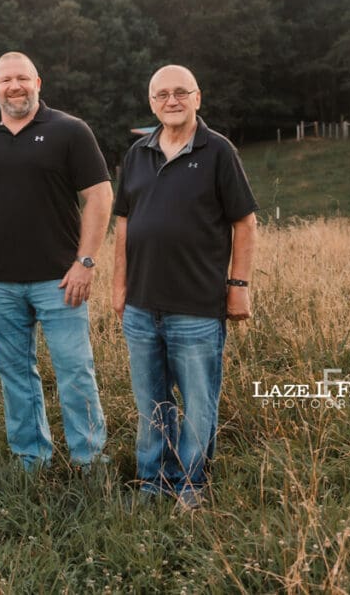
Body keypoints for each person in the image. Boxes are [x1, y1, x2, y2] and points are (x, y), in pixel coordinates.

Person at [112, 64, 258, 510]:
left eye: (181, 93)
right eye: (162, 95)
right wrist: (118, 286)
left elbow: (245, 222)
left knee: (198, 404)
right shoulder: (138, 153)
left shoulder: (218, 151)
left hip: (196, 307)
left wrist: (238, 285)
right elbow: (123, 225)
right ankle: (153, 480)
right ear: (151, 102)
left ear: (198, 98)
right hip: (140, 306)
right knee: (151, 403)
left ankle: (191, 485)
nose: (171, 101)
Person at [0, 51, 112, 471]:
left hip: (60, 280)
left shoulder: (70, 131)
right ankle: (32, 461)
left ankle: (90, 463)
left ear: (38, 83)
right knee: (16, 378)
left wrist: (86, 261)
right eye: (6, 79)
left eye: (22, 78)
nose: (15, 86)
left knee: (75, 372)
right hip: (1, 283)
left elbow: (99, 197)